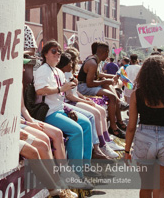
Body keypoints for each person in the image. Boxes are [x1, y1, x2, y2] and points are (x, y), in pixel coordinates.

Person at [34, 40, 93, 183]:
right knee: (76, 130)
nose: (57, 54)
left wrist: (71, 85)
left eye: (59, 51)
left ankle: (85, 167)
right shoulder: (43, 70)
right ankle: (75, 175)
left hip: (60, 109)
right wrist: (61, 89)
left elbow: (64, 94)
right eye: (53, 51)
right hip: (49, 113)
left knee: (86, 123)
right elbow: (40, 90)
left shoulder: (58, 71)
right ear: (45, 54)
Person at [57, 52, 119, 159]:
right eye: (70, 62)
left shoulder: (68, 74)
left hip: (75, 100)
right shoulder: (62, 75)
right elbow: (69, 96)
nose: (72, 64)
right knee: (94, 114)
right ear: (64, 64)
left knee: (101, 111)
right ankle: (98, 146)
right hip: (70, 102)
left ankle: (105, 140)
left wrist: (84, 98)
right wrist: (84, 101)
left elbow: (74, 92)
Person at [124, 56, 164, 198]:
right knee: (161, 189)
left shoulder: (137, 94)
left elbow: (131, 126)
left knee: (146, 187)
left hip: (144, 138)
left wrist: (127, 150)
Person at [77, 42, 127, 139]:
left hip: (86, 85)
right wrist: (106, 81)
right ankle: (113, 127)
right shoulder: (93, 63)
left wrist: (111, 77)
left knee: (113, 92)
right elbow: (89, 83)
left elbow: (98, 75)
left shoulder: (95, 61)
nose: (108, 56)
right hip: (84, 87)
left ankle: (118, 120)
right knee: (112, 96)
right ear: (106, 52)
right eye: (108, 53)